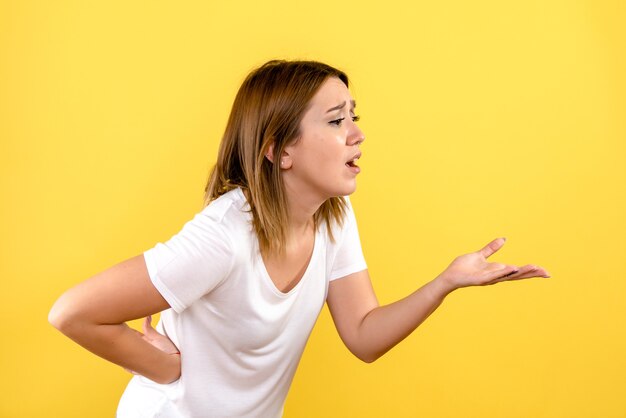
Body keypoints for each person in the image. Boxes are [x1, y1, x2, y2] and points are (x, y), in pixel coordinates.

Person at [48, 59, 550, 418]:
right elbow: (72, 312)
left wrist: (445, 282)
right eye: (336, 121)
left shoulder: (334, 216)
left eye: (355, 116)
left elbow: (364, 336)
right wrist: (161, 367)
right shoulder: (224, 237)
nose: (357, 134)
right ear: (279, 150)